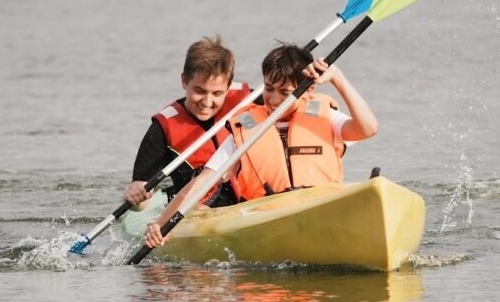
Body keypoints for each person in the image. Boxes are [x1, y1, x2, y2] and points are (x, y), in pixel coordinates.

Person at [144, 42, 378, 248]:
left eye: (285, 93)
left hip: (320, 208)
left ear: (308, 90)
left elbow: (368, 128)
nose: (274, 100)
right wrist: (161, 223)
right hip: (268, 218)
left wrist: (338, 79)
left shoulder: (326, 118)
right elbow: (203, 181)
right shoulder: (245, 130)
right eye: (268, 89)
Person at [125, 36, 251, 210]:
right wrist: (136, 194)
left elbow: (290, 99)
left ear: (228, 87)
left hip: (252, 200)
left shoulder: (249, 101)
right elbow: (140, 202)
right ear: (184, 81)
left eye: (217, 93)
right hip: (196, 209)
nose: (207, 102)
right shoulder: (162, 128)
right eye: (199, 91)